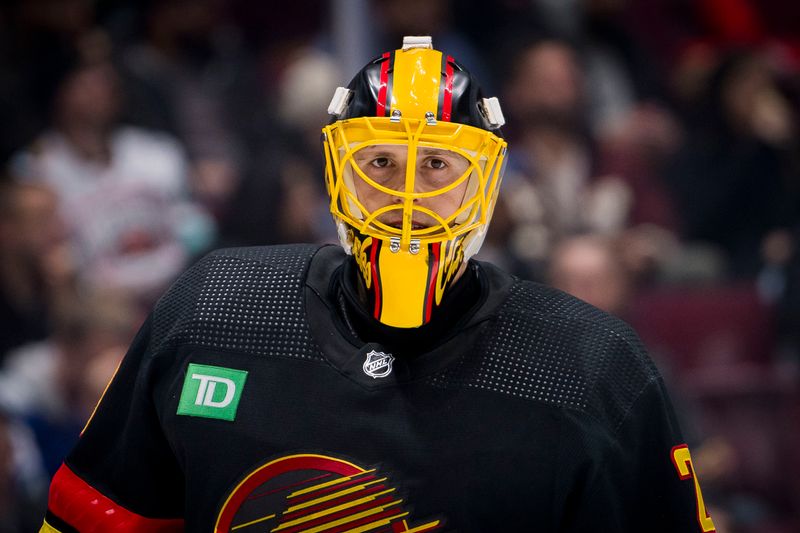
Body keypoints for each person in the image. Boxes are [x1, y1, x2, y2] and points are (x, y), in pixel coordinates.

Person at [40, 36, 714, 532]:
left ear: (484, 185)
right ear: (338, 173)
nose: (408, 196)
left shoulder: (594, 366)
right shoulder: (210, 311)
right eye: (382, 162)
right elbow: (95, 517)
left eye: (439, 168)